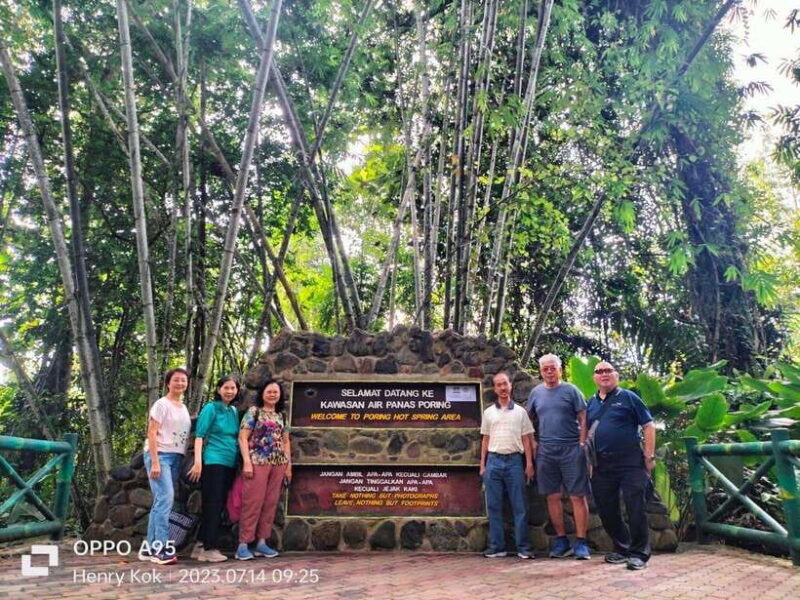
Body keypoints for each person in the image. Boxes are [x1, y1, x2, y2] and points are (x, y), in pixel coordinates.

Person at [587, 361, 656, 570]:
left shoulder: (629, 397)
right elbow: (587, 433)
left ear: (616, 375)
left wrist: (649, 455)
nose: (604, 374)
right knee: (606, 508)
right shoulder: (591, 403)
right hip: (602, 464)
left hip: (630, 461)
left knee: (635, 506)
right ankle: (623, 547)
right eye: (599, 371)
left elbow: (648, 425)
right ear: (594, 378)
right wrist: (589, 461)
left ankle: (639, 554)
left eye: (608, 370)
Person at [527, 354, 591, 560]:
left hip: (571, 449)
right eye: (545, 369)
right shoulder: (536, 393)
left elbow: (583, 416)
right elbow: (528, 420)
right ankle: (562, 541)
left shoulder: (571, 391)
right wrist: (533, 442)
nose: (549, 372)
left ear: (560, 370)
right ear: (541, 371)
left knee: (577, 496)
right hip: (546, 451)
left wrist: (582, 443)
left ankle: (581, 542)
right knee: (552, 496)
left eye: (552, 368)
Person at [480, 372, 536, 559]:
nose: (503, 388)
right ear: (495, 389)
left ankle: (523, 547)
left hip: (514, 462)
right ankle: (497, 547)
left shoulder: (521, 412)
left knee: (520, 506)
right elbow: (485, 439)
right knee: (494, 506)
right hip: (493, 461)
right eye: (499, 385)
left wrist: (529, 463)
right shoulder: (488, 413)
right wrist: (483, 464)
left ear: (510, 386)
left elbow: (527, 439)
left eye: (505, 384)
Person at [139, 368, 192, 565]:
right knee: (166, 499)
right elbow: (151, 432)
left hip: (176, 457)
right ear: (168, 383)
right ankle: (160, 548)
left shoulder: (183, 407)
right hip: (160, 455)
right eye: (176, 380)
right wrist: (154, 461)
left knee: (160, 502)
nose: (180, 383)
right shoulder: (161, 404)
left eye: (183, 380)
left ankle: (150, 548)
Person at [236, 379, 292, 560]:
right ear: (262, 393)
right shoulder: (254, 412)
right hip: (257, 462)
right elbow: (242, 438)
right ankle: (243, 544)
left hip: (278, 463)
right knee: (252, 502)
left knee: (270, 503)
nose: (273, 394)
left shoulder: (282, 416)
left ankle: (261, 543)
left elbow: (286, 442)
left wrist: (288, 466)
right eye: (269, 391)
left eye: (276, 392)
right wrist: (247, 462)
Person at [188, 375, 241, 562]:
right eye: (226, 387)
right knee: (213, 504)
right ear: (219, 389)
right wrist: (198, 462)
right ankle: (209, 549)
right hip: (213, 461)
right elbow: (200, 436)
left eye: (233, 388)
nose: (230, 391)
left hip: (229, 463)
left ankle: (199, 546)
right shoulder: (211, 408)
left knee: (217, 504)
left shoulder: (233, 411)